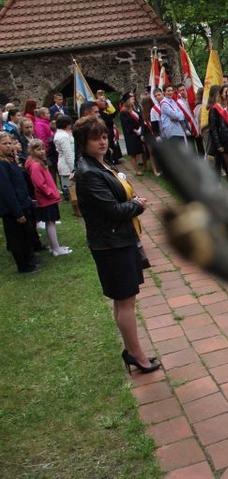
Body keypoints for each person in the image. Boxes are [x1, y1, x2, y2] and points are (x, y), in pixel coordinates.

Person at [73, 116, 161, 374]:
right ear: (83, 142)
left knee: (123, 300)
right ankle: (137, 355)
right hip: (111, 243)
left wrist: (133, 199)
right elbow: (112, 209)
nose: (102, 141)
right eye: (95, 138)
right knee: (125, 302)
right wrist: (138, 205)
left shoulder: (98, 165)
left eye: (103, 136)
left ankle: (132, 350)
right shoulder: (88, 173)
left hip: (117, 239)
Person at [0, 132, 40, 273]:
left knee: (26, 234)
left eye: (10, 143)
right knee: (17, 238)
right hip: (12, 209)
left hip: (23, 203)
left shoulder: (10, 161)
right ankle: (24, 265)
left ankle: (30, 258)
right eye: (5, 144)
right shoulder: (2, 165)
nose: (9, 146)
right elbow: (6, 191)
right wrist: (17, 212)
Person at [25, 139, 71, 256]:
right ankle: (56, 248)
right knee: (50, 223)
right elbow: (39, 183)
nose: (41, 152)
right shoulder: (35, 166)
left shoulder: (38, 163)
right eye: (38, 149)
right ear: (32, 151)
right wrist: (50, 193)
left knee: (51, 222)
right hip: (46, 199)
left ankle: (54, 246)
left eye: (42, 149)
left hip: (47, 198)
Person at [119, 92, 147, 175]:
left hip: (139, 132)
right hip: (131, 135)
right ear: (127, 101)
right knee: (133, 153)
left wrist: (141, 129)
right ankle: (137, 170)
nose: (133, 101)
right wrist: (135, 131)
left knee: (144, 149)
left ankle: (144, 165)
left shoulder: (135, 109)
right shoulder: (123, 112)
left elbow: (141, 118)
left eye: (133, 100)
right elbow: (126, 125)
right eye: (131, 100)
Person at [54, 115, 75, 200]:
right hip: (67, 165)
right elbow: (68, 153)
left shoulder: (63, 134)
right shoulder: (63, 136)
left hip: (66, 163)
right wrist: (73, 169)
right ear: (67, 125)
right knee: (72, 190)